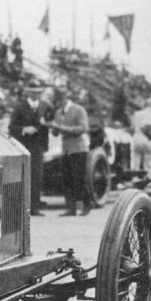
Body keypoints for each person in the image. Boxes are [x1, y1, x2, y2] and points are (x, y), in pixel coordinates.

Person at [45, 85, 91, 216]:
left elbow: (83, 128)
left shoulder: (78, 110)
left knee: (79, 179)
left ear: (64, 99)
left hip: (79, 149)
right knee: (67, 180)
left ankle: (86, 204)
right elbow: (56, 132)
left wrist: (60, 127)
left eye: (57, 101)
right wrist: (52, 128)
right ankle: (70, 208)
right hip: (66, 150)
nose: (56, 104)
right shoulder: (58, 113)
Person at [9, 79, 49, 216]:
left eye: (37, 92)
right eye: (32, 92)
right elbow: (11, 127)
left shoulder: (45, 107)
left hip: (38, 146)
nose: (35, 95)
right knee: (24, 176)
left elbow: (48, 126)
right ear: (27, 93)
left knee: (37, 176)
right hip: (24, 145)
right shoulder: (20, 107)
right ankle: (22, 208)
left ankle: (35, 207)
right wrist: (23, 129)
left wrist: (45, 146)